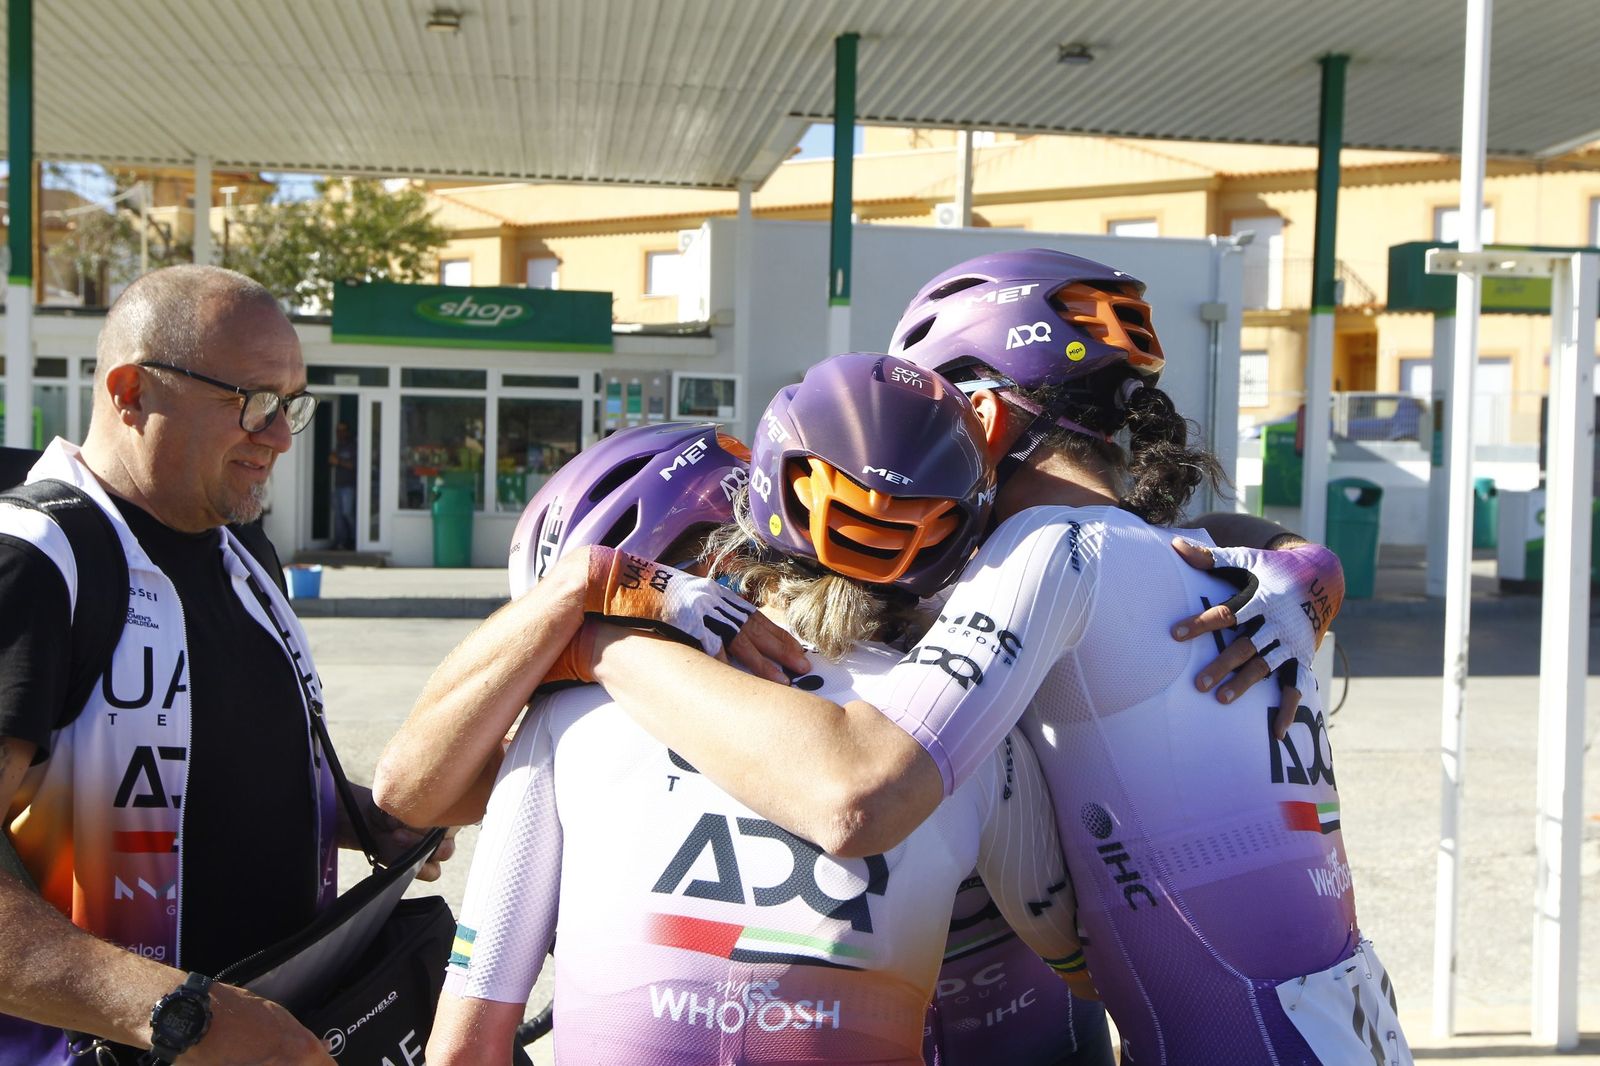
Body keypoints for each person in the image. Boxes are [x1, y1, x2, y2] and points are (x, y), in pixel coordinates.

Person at [578, 250, 1405, 1063]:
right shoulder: (1232, 575)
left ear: (986, 419)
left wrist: (607, 644)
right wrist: (1310, 559)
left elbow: (862, 792)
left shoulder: (1054, 549)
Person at [424, 355, 1085, 1065]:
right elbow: (1096, 966)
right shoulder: (969, 740)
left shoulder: (577, 704)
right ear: (957, 533)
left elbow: (465, 1046)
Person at [0, 265, 449, 1066]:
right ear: (131, 391)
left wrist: (365, 816)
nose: (278, 436)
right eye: (251, 402)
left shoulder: (244, 555)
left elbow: (214, 769)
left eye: (290, 406)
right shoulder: (37, 561)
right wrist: (177, 1014)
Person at [329, 420, 357, 550]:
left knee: (347, 513)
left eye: (342, 430)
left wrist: (338, 461)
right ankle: (340, 542)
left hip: (349, 486)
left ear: (347, 432)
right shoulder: (338, 446)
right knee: (338, 516)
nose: (339, 433)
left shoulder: (353, 446)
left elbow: (353, 465)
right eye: (337, 430)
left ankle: (354, 539)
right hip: (338, 486)